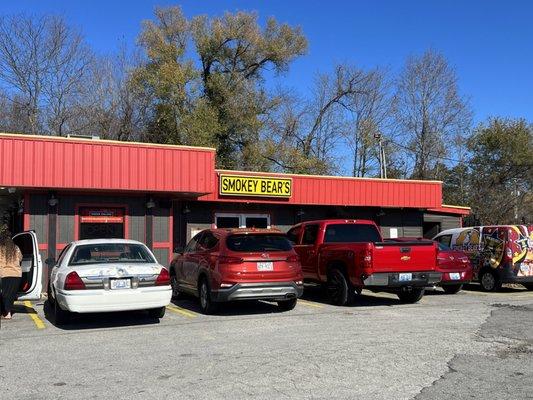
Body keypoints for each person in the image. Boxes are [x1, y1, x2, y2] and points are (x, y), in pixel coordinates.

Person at [0, 225, 23, 320]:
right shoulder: (16, 248)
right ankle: (8, 313)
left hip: (5, 273)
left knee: (4, 294)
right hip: (16, 274)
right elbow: (21, 258)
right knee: (11, 295)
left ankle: (4, 312)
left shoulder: (1, 248)